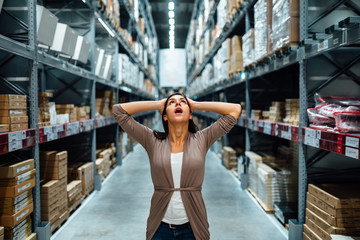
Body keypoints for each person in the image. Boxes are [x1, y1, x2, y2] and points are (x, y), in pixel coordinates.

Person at [112, 92, 241, 240]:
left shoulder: (203, 138)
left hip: (193, 227)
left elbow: (235, 110)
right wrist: (159, 104)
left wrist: (196, 105)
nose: (178, 104)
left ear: (190, 114)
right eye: (172, 102)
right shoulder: (152, 140)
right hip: (160, 226)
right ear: (165, 116)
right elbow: (118, 111)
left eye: (183, 102)